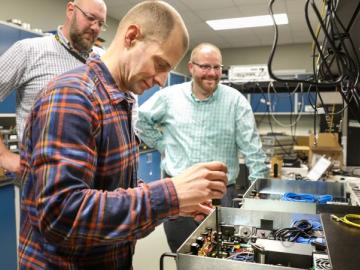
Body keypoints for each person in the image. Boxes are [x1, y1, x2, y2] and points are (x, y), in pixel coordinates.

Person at [18, 2, 228, 269]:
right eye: (161, 64)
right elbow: (62, 215)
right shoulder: (73, 95)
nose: (163, 80)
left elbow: (111, 191)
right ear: (131, 37)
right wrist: (168, 194)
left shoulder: (120, 100)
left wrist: (175, 205)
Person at [137, 42, 269, 252]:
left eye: (217, 68)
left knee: (221, 255)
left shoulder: (235, 101)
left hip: (220, 195)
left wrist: (258, 197)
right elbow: (140, 120)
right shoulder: (169, 97)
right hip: (178, 193)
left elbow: (254, 152)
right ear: (191, 67)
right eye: (205, 67)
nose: (212, 73)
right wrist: (163, 145)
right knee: (183, 253)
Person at [0, 0, 107, 173]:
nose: (95, 27)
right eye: (90, 18)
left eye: (101, 23)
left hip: (91, 183)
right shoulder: (30, 51)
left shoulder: (103, 62)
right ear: (71, 10)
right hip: (41, 183)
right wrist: (4, 157)